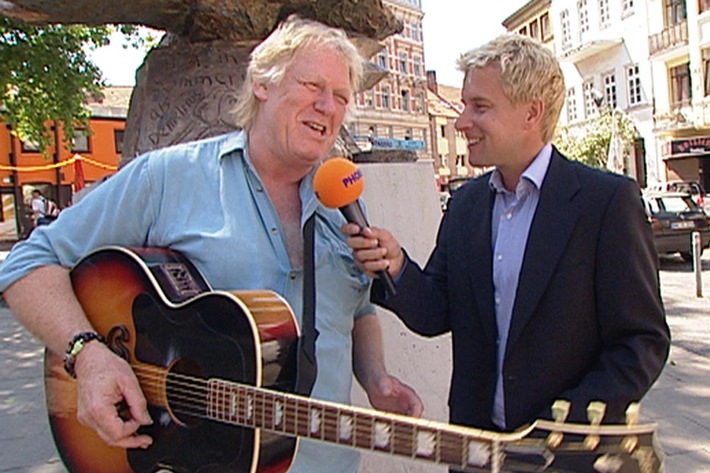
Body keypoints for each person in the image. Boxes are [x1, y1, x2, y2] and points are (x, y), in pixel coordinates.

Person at [0, 15, 422, 473]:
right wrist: (88, 355)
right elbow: (27, 263)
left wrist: (376, 379)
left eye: (341, 97)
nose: (327, 106)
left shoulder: (341, 200)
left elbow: (356, 311)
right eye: (312, 85)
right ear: (262, 82)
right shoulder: (168, 177)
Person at [345, 33, 670, 457]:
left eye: (479, 107)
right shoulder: (465, 204)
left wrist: (565, 424)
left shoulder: (605, 203)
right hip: (476, 453)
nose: (461, 122)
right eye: (464, 105)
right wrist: (396, 266)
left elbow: (641, 342)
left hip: (566, 458)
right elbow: (437, 310)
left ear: (531, 112)